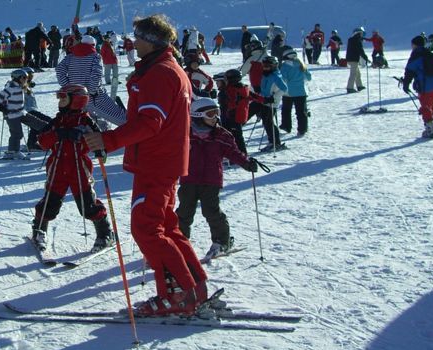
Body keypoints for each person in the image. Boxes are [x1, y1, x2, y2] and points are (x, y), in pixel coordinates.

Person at [82, 14, 209, 317]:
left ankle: (177, 295)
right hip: (161, 161)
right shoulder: (161, 69)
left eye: (138, 36)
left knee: (146, 228)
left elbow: (151, 122)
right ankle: (194, 286)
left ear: (152, 41)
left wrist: (108, 141)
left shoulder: (160, 73)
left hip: (156, 162)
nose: (133, 41)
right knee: (166, 227)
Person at [29, 84, 114, 253]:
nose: (59, 101)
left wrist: (86, 140)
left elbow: (99, 141)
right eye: (59, 97)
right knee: (49, 203)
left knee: (87, 205)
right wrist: (58, 134)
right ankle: (39, 230)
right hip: (57, 169)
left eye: (63, 97)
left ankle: (105, 233)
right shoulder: (58, 120)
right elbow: (43, 142)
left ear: (76, 100)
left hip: (79, 170)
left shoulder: (86, 121)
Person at [176, 98, 259, 259]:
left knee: (211, 211)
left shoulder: (221, 135)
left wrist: (247, 163)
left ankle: (222, 241)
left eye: (217, 113)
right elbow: (171, 150)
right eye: (211, 114)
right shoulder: (185, 134)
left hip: (211, 180)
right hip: (189, 179)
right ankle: (179, 240)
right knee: (184, 212)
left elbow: (234, 153)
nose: (215, 117)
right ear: (198, 115)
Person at [57, 35, 126, 127]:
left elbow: (59, 70)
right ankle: (136, 133)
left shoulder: (70, 57)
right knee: (119, 118)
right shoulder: (95, 56)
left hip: (76, 98)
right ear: (93, 45)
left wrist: (69, 88)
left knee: (85, 122)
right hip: (95, 97)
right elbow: (96, 74)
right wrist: (92, 91)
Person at [402, 35, 433, 139]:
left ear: (415, 45)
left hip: (425, 85)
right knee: (431, 104)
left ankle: (430, 130)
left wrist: (406, 84)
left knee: (425, 107)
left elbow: (409, 70)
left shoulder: (416, 55)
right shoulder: (428, 53)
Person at [0, 69, 31, 159]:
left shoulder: (19, 87)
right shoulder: (10, 88)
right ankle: (12, 152)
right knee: (17, 133)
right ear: (17, 78)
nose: (26, 79)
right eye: (24, 77)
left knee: (19, 132)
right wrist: (0, 107)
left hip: (20, 113)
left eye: (27, 78)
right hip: (11, 115)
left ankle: (14, 151)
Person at [257, 56, 288, 151]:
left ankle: (275, 143)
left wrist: (273, 98)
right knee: (267, 123)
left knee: (268, 123)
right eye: (264, 66)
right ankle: (273, 142)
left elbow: (284, 88)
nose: (265, 68)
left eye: (268, 66)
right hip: (264, 101)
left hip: (271, 103)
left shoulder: (276, 76)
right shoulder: (265, 75)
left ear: (273, 66)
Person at [279, 49, 312, 136]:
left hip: (288, 93)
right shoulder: (301, 64)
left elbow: (283, 79)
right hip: (301, 92)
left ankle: (286, 126)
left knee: (286, 110)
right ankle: (302, 128)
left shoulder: (285, 66)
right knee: (301, 111)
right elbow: (308, 77)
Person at [21, 67, 42, 151]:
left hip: (32, 110)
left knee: (38, 122)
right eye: (29, 75)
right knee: (46, 122)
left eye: (32, 75)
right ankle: (32, 143)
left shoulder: (27, 85)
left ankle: (32, 143)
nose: (31, 77)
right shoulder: (19, 85)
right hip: (26, 111)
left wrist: (29, 84)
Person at [345, 27, 369, 93]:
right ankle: (349, 87)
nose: (362, 35)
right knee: (353, 73)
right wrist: (365, 57)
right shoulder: (357, 40)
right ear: (359, 33)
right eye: (361, 33)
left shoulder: (351, 39)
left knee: (357, 73)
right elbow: (360, 50)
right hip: (353, 59)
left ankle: (359, 85)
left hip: (350, 58)